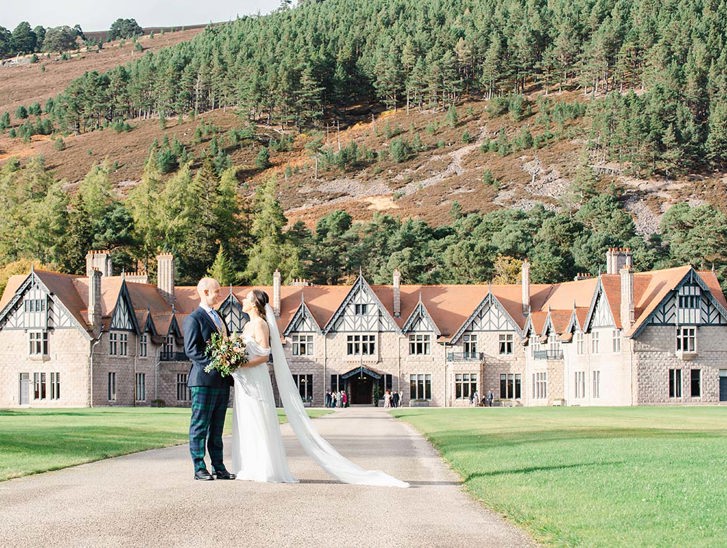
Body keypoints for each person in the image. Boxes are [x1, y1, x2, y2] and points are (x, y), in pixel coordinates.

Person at [230, 289, 408, 488]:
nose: (243, 301)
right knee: (247, 420)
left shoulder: (261, 324)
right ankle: (249, 466)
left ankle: (265, 468)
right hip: (244, 381)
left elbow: (264, 355)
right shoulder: (246, 325)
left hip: (255, 377)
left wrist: (242, 364)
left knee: (258, 419)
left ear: (254, 304)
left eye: (246, 299)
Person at [183, 277, 236, 481]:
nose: (219, 295)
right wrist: (217, 364)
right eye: (217, 291)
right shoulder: (193, 319)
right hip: (203, 380)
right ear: (205, 292)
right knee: (200, 425)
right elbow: (192, 351)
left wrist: (229, 364)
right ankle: (199, 467)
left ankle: (219, 467)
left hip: (222, 381)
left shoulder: (220, 317)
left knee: (217, 427)